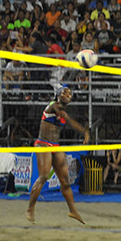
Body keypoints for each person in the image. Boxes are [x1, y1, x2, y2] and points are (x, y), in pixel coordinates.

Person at [26, 87, 90, 224]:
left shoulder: (62, 111)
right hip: (43, 143)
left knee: (66, 182)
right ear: (57, 95)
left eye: (70, 93)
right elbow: (68, 119)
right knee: (43, 176)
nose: (68, 95)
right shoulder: (53, 105)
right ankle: (30, 209)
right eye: (64, 92)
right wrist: (84, 132)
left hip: (55, 146)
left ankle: (73, 211)